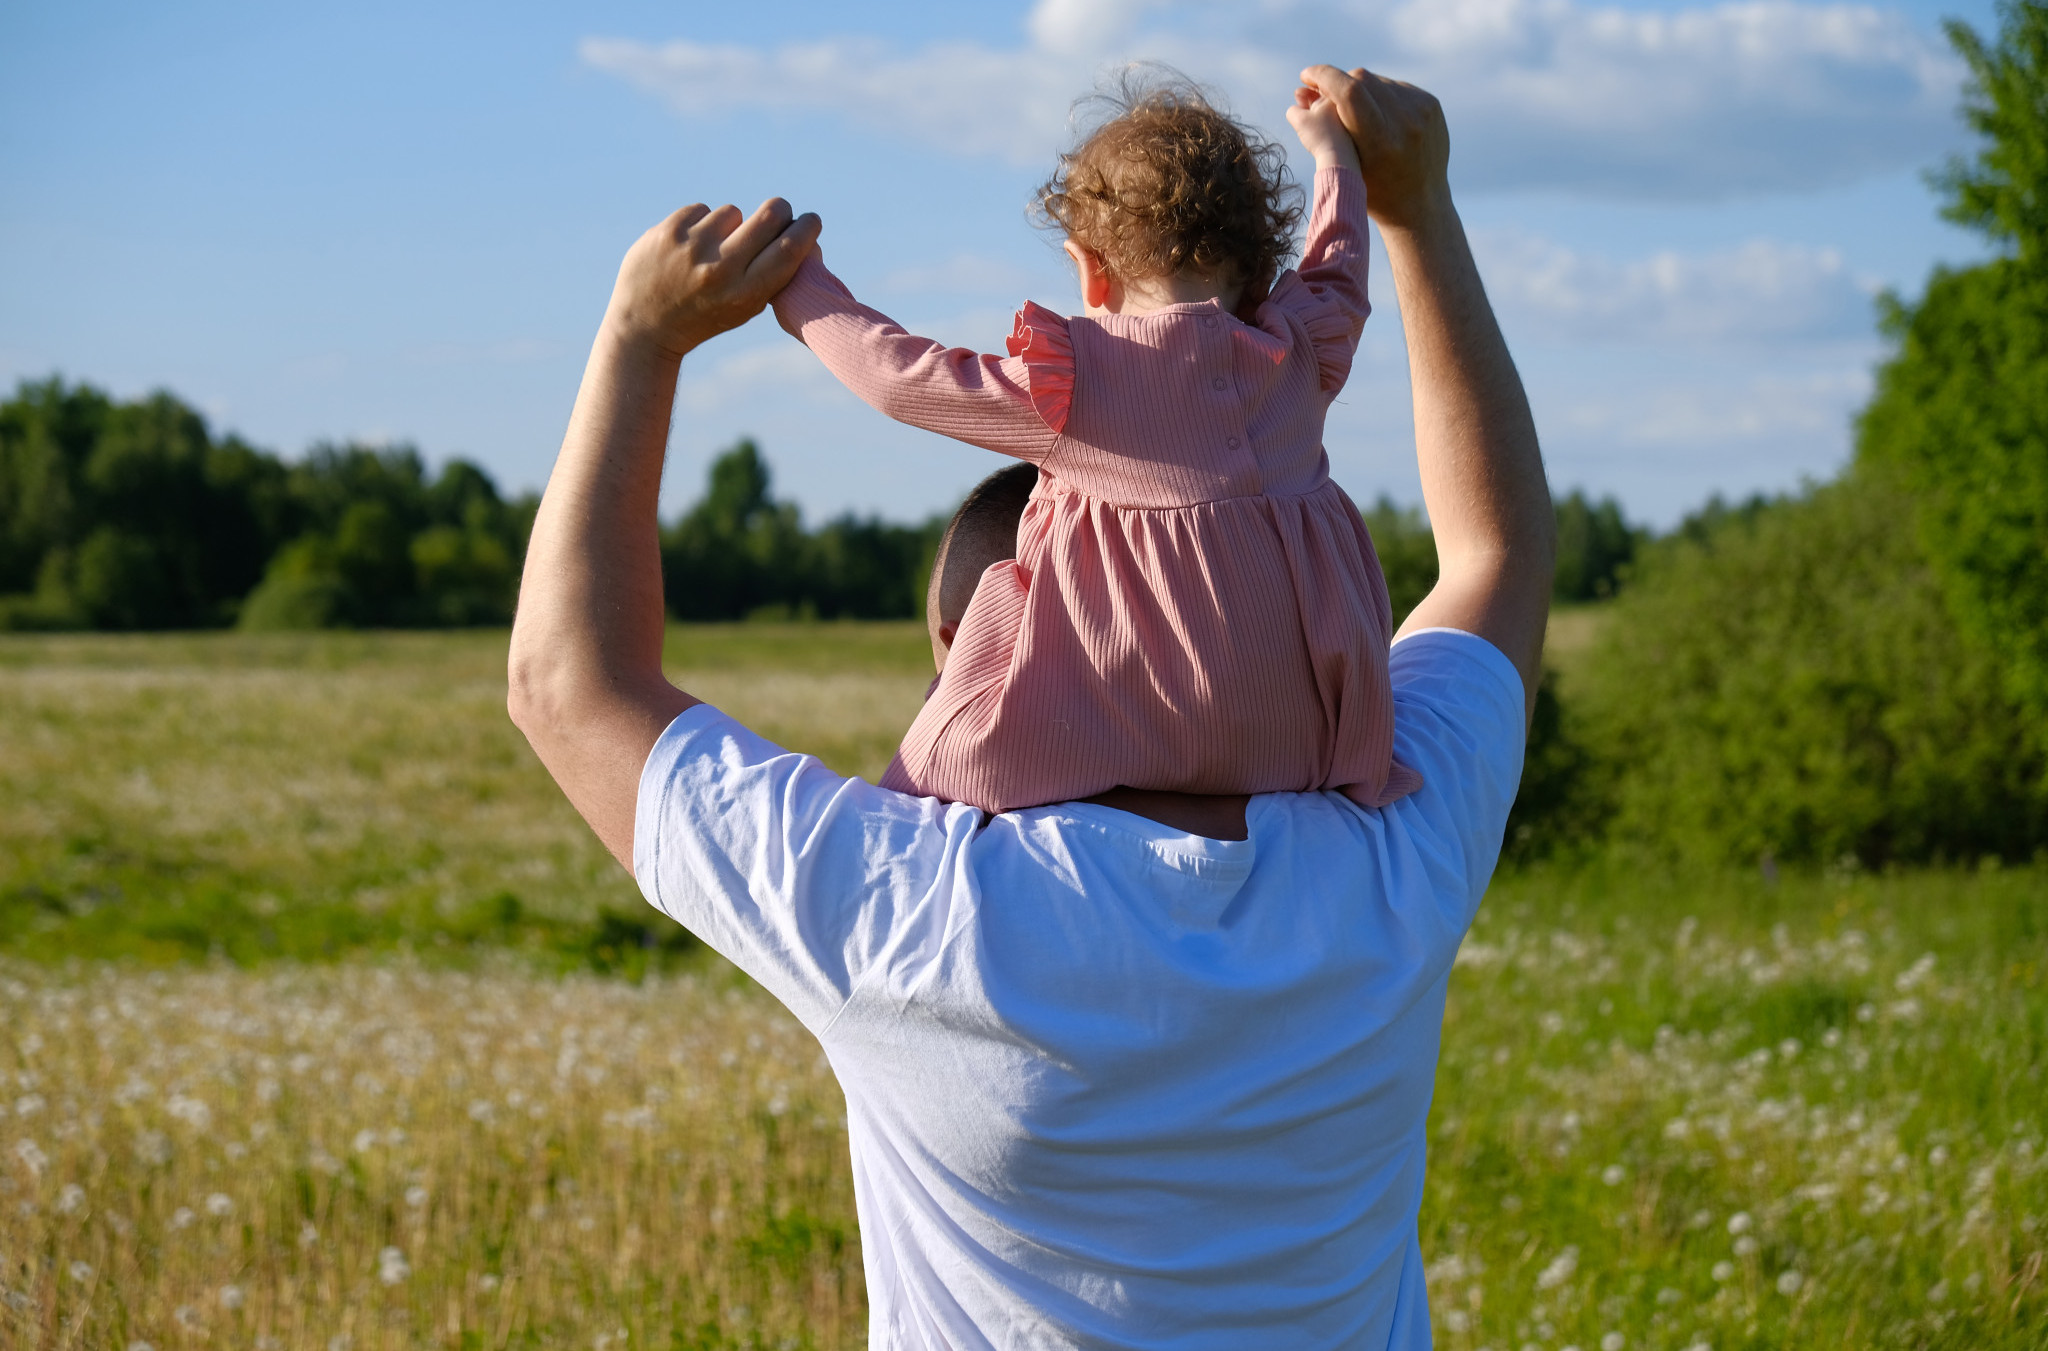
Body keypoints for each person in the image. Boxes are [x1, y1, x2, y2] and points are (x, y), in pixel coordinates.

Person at [509, 62, 1553, 1350]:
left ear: (970, 644)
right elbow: (1494, 556)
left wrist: (638, 338)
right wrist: (1410, 204)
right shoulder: (1391, 863)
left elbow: (567, 686)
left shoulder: (908, 913)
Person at [771, 72, 1420, 814]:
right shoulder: (1299, 352)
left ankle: (911, 812)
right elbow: (1338, 267)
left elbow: (898, 377)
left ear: (1090, 270)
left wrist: (800, 289)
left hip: (1126, 730)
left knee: (941, 756)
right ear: (1257, 281)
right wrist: (1336, 157)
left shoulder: (1075, 385)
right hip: (1300, 741)